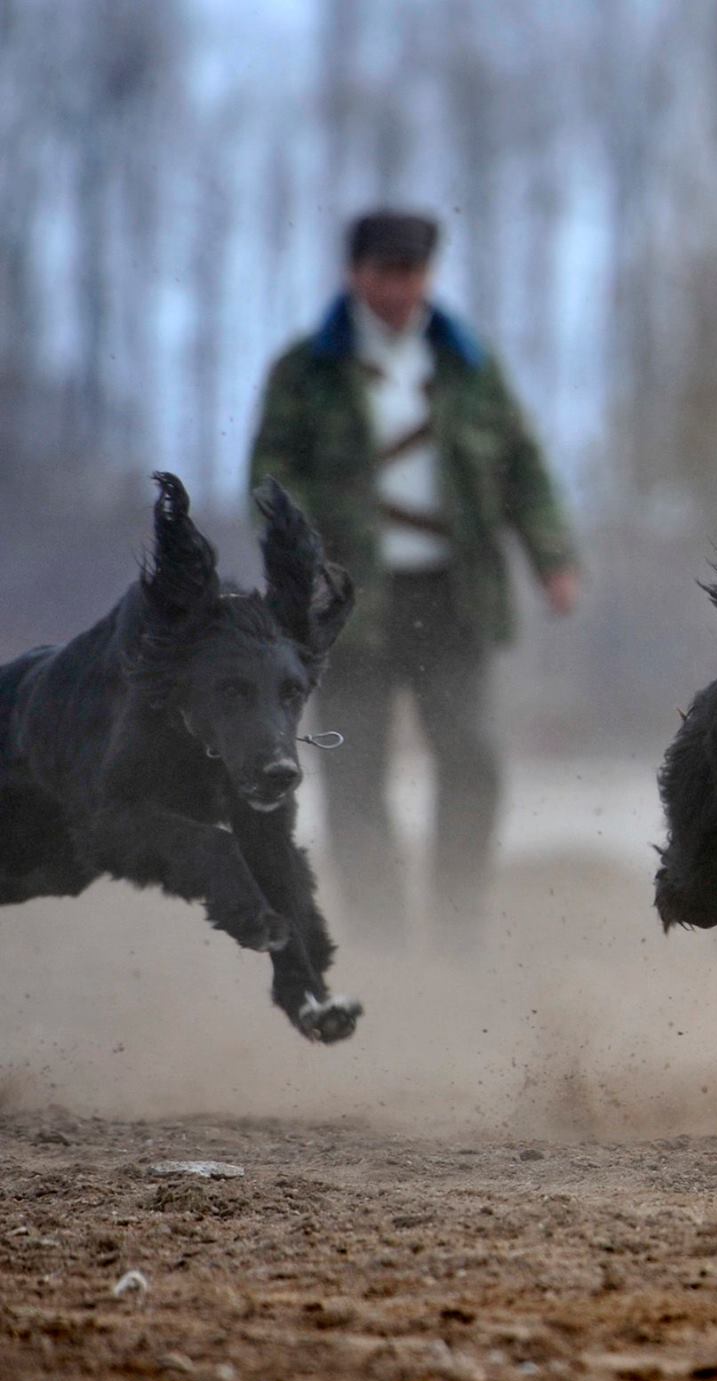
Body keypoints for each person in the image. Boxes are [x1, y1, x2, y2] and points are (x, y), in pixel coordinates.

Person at [247, 210, 579, 939]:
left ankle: (458, 922)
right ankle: (381, 935)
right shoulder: (306, 371)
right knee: (354, 772)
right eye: (385, 271)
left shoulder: (468, 363)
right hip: (347, 603)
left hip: (453, 596)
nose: (400, 287)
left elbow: (523, 465)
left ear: (430, 275)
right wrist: (298, 565)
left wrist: (552, 556)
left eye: (413, 272)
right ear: (355, 274)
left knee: (474, 761)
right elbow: (269, 478)